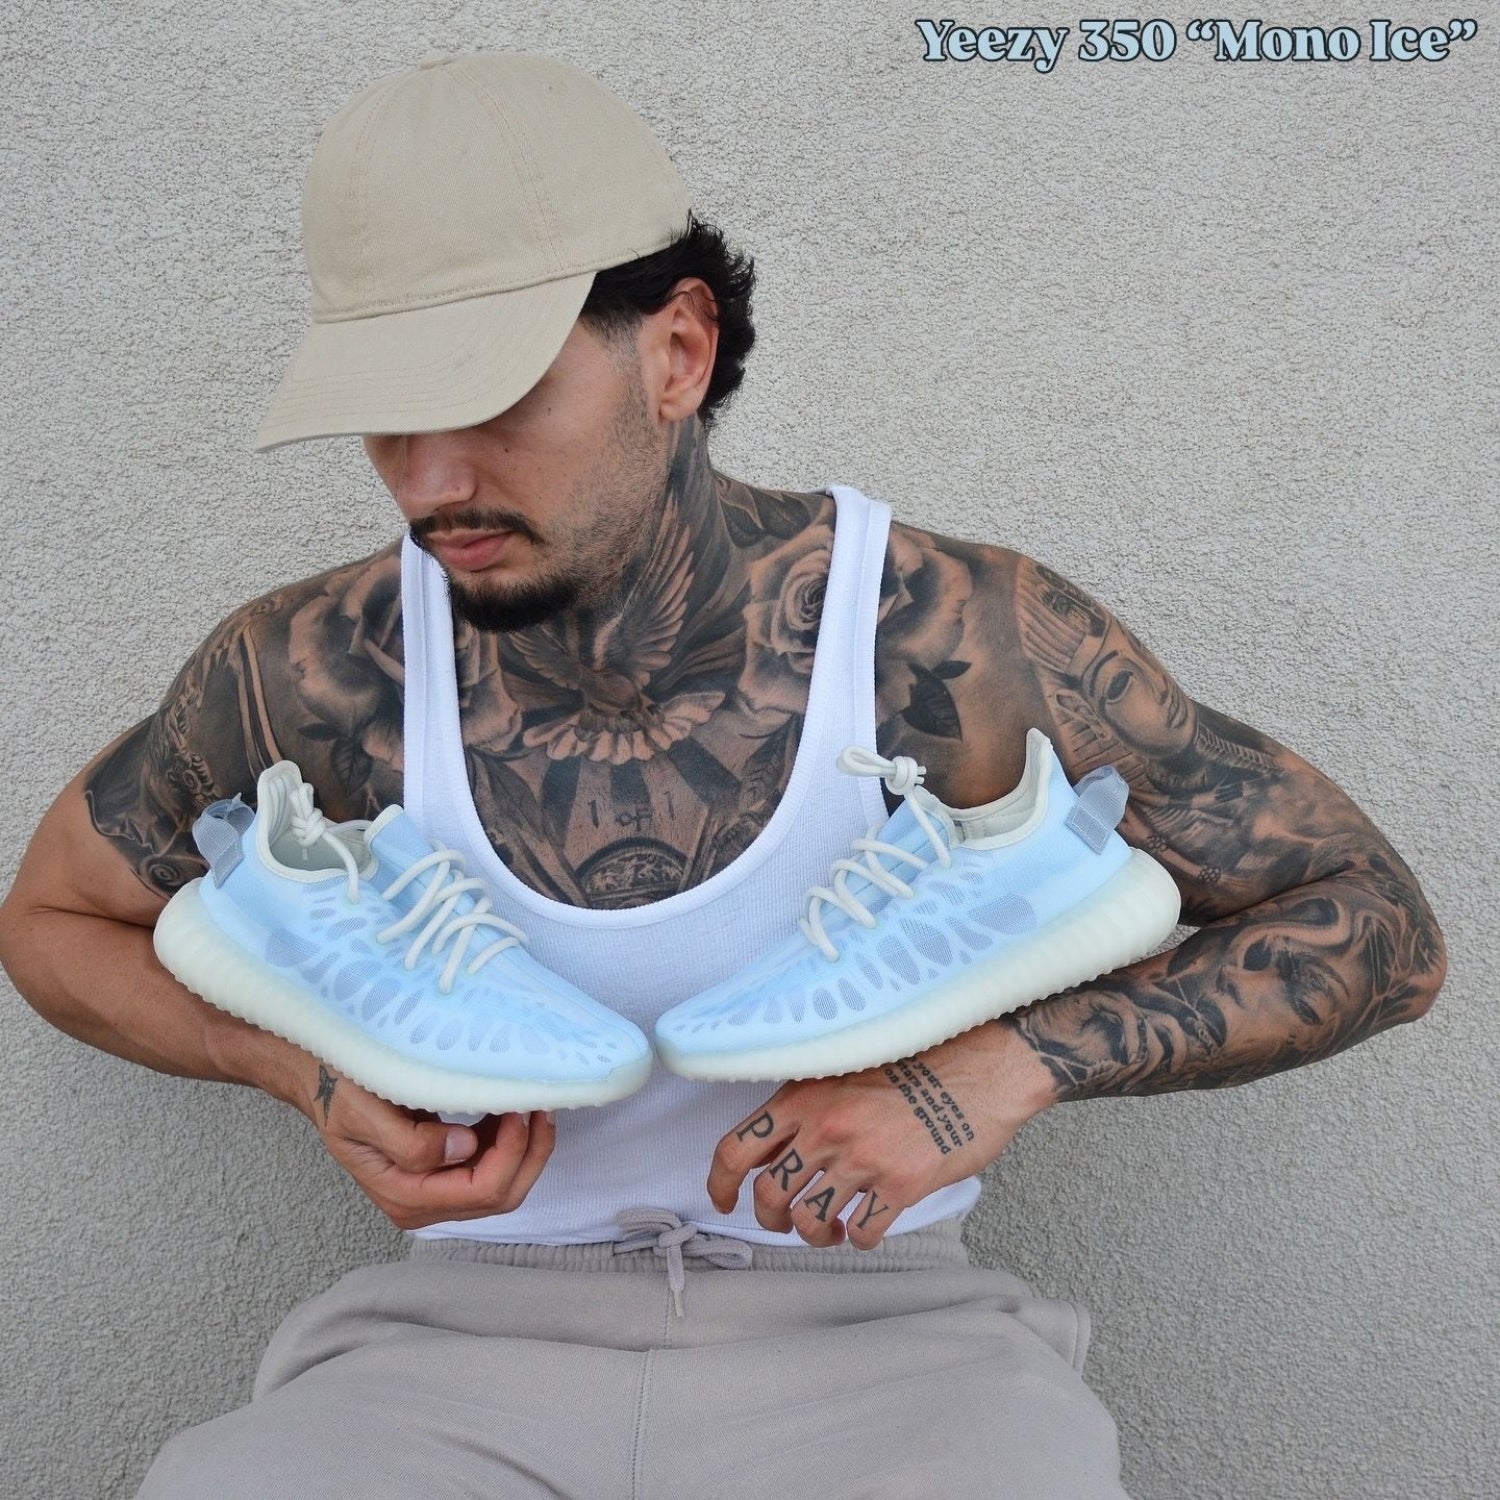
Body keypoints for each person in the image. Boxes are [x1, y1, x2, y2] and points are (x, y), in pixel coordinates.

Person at [0, 50, 1448, 1500]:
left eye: (490, 399)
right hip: (460, 1332)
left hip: (884, 1331)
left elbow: (1375, 915)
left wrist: (989, 1076)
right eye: (386, 416)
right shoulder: (319, 669)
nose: (429, 482)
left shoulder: (946, 640)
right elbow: (51, 920)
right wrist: (304, 1071)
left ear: (677, 354)